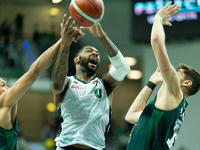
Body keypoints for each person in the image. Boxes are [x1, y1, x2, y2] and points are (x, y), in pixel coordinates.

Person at [0, 14, 84, 150]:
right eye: (1, 84)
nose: (3, 81)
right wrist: (62, 41)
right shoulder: (3, 103)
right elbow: (35, 71)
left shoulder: (7, 106)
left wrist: (63, 41)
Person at [125, 1, 200, 150]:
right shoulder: (167, 109)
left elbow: (156, 41)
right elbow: (130, 115)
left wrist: (158, 18)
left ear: (186, 83)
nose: (171, 73)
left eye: (177, 73)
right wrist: (151, 84)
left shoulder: (175, 92)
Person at [51, 15, 131, 150]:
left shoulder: (104, 84)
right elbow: (56, 83)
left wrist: (102, 37)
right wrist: (65, 44)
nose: (95, 54)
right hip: (67, 146)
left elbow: (123, 68)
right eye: (89, 51)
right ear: (76, 59)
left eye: (97, 54)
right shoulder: (67, 82)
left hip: (96, 147)